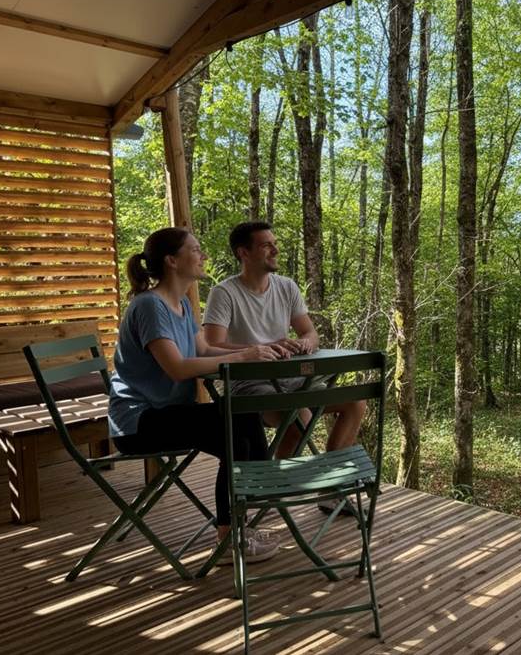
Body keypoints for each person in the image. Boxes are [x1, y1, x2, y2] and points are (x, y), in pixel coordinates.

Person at [108, 227, 280, 563]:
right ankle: (229, 537)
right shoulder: (149, 307)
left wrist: (261, 348)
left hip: (171, 413)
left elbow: (205, 347)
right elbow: (178, 368)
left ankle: (250, 509)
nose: (205, 256)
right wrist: (245, 357)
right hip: (139, 423)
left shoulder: (183, 304)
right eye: (196, 250)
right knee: (232, 432)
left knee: (242, 412)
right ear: (172, 261)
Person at [203, 221, 365, 464]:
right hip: (248, 385)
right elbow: (211, 347)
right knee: (300, 415)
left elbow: (309, 332)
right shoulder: (224, 293)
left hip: (293, 378)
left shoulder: (287, 287)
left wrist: (306, 343)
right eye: (267, 245)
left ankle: (331, 481)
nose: (276, 250)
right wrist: (260, 349)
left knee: (356, 403)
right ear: (243, 253)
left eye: (275, 244)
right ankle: (280, 483)